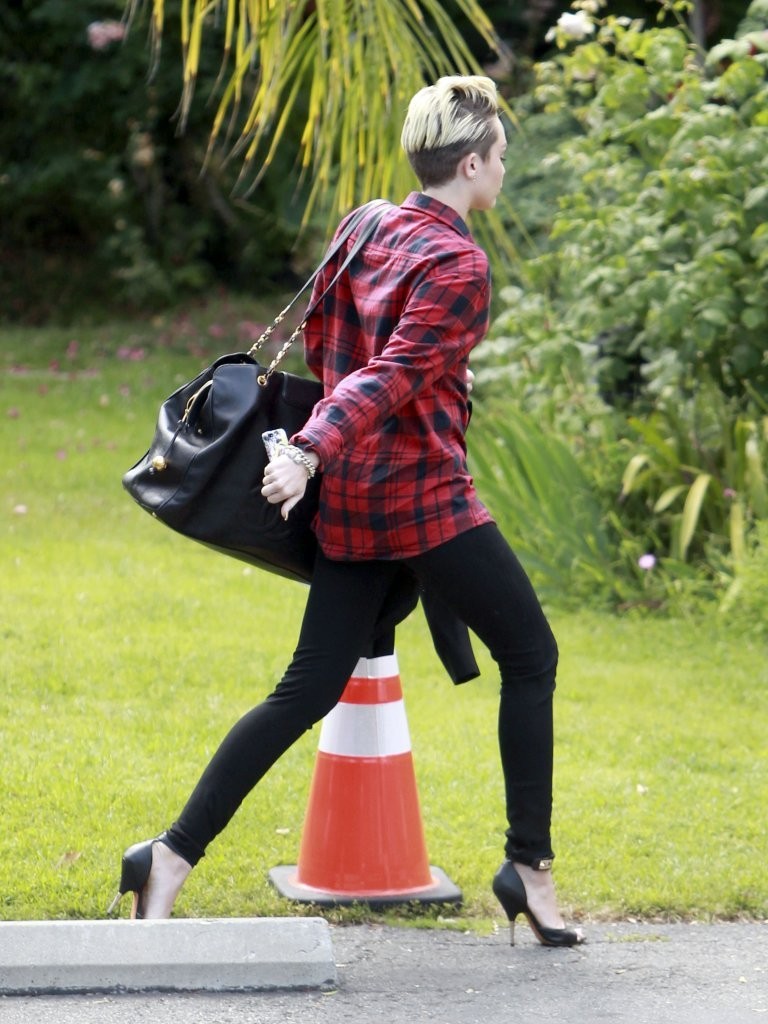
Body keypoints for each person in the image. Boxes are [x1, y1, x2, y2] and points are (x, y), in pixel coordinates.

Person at [109, 74, 584, 947]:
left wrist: (322, 449)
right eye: (500, 157)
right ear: (470, 164)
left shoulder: (364, 223)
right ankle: (530, 867)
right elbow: (392, 373)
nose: (504, 169)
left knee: (307, 689)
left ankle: (166, 857)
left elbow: (333, 351)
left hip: (350, 504)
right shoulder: (460, 264)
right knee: (531, 656)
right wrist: (309, 448)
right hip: (421, 500)